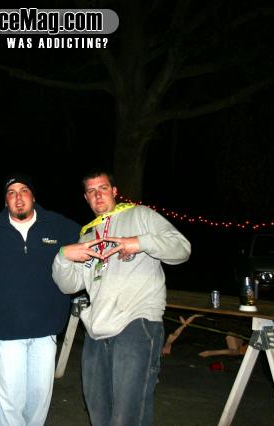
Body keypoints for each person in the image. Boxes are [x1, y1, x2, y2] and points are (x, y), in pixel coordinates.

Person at [51, 169, 191, 426]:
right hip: (96, 329)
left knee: (127, 415)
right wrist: (63, 257)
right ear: (86, 198)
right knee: (98, 412)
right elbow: (69, 286)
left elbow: (182, 249)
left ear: (114, 191)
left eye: (103, 188)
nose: (98, 195)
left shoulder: (141, 215)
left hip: (136, 323)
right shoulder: (88, 236)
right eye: (91, 191)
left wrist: (139, 242)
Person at [0, 173, 80, 426]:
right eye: (11, 193)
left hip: (46, 332)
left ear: (33, 196)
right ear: (5, 200)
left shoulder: (60, 226)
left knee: (39, 400)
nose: (18, 198)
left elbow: (93, 239)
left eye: (24, 191)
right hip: (5, 333)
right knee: (10, 401)